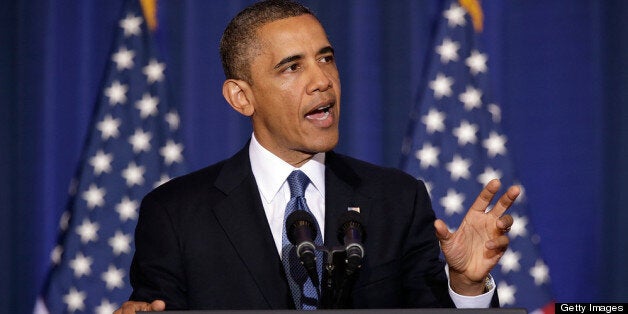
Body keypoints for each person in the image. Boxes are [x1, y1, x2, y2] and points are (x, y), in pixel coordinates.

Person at [115, 0, 517, 312]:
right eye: (291, 67)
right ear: (242, 97)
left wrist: (466, 286)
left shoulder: (397, 198)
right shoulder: (176, 213)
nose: (322, 80)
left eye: (325, 58)